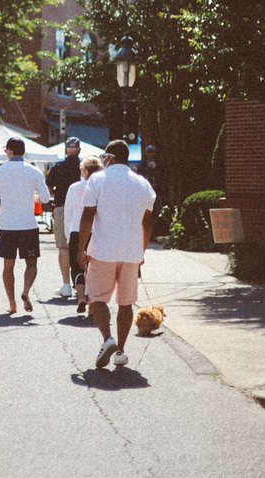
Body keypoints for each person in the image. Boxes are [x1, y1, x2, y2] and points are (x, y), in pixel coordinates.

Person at [79, 140, 157, 369]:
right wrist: (142, 252)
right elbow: (148, 223)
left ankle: (108, 339)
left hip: (103, 249)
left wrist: (80, 249)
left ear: (110, 157)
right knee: (126, 303)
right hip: (132, 251)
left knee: (97, 299)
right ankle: (120, 351)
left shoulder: (97, 179)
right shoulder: (142, 184)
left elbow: (87, 216)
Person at [0, 137, 51, 314]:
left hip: (8, 226)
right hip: (28, 226)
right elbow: (45, 198)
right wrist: (33, 197)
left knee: (8, 265)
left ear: (9, 151)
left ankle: (12, 303)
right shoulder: (34, 170)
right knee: (31, 263)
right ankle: (25, 291)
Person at [64, 155, 102, 316]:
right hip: (96, 232)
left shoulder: (74, 188)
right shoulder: (101, 187)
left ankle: (80, 298)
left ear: (85, 170)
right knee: (93, 269)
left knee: (77, 266)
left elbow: (68, 212)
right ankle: (93, 302)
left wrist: (68, 234)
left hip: (76, 230)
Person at [46, 137, 83, 299]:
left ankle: (66, 285)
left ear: (66, 150)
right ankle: (83, 284)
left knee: (63, 247)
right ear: (79, 150)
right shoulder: (85, 167)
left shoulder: (58, 167)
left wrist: (57, 193)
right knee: (84, 245)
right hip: (83, 209)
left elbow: (48, 185)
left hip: (61, 207)